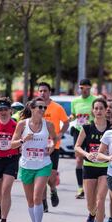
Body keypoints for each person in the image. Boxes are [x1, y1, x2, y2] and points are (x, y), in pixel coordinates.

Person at [11, 97, 57, 222]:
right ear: (32, 108)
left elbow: (54, 139)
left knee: (37, 197)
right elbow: (12, 144)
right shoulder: (21, 125)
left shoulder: (48, 125)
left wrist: (51, 145)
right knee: (30, 200)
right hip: (26, 165)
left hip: (43, 164)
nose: (43, 110)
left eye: (45, 108)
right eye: (40, 107)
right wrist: (24, 140)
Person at [74, 98, 111, 222]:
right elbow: (77, 147)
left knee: (100, 199)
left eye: (101, 108)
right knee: (91, 203)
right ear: (92, 111)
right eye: (96, 108)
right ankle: (92, 213)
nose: (98, 111)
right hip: (89, 166)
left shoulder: (111, 129)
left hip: (106, 167)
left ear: (105, 110)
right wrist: (86, 154)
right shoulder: (87, 128)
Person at [38, 82, 69, 211]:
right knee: (41, 176)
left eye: (45, 91)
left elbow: (66, 122)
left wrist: (60, 133)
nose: (42, 93)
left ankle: (53, 189)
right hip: (38, 146)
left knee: (51, 177)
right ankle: (43, 202)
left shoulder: (57, 107)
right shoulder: (36, 107)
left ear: (49, 92)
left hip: (53, 146)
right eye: (40, 91)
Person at [71, 79, 96, 199]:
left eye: (87, 88)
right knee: (79, 159)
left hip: (90, 131)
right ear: (79, 88)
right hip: (78, 131)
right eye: (81, 88)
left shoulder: (94, 100)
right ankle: (80, 187)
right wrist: (68, 119)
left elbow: (98, 114)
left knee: (91, 158)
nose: (84, 90)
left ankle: (91, 185)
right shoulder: (75, 101)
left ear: (90, 89)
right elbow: (73, 115)